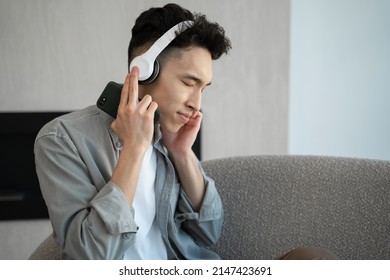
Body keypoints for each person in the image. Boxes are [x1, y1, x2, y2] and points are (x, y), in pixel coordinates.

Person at [34, 3, 337, 260]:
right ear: (144, 70)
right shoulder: (62, 140)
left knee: (314, 261)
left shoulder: (166, 136)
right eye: (189, 82)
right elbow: (91, 255)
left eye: (203, 88)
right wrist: (134, 150)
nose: (197, 104)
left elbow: (209, 231)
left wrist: (181, 154)